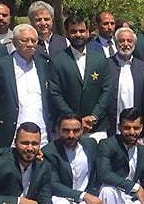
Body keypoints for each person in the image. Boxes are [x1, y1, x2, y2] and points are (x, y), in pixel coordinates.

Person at [0, 24, 53, 147]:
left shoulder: (45, 64)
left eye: (33, 41)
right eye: (24, 40)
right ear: (14, 42)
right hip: (10, 134)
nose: (29, 44)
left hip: (42, 133)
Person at [43, 114, 105, 204]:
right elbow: (53, 185)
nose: (71, 135)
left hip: (82, 203)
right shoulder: (49, 152)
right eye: (66, 130)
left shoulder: (90, 145)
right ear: (58, 130)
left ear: (82, 131)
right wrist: (84, 196)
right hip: (59, 200)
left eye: (76, 131)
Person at [48, 13, 113, 142]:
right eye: (74, 31)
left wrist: (94, 116)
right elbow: (55, 93)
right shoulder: (57, 60)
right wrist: (75, 120)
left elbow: (107, 90)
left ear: (88, 32)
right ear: (67, 33)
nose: (78, 34)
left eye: (82, 31)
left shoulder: (100, 58)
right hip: (68, 129)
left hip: (96, 127)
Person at [105, 27, 144, 136]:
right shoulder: (105, 65)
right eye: (121, 41)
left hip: (135, 128)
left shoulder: (143, 67)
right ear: (115, 43)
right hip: (111, 126)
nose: (126, 44)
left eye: (129, 41)